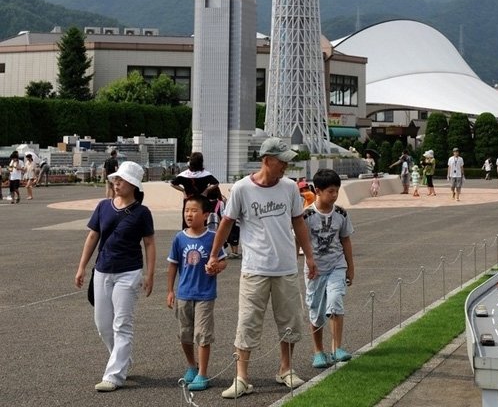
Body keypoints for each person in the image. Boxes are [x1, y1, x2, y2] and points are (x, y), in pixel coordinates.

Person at [206, 137, 317, 399]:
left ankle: (286, 369)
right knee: (247, 322)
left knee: (290, 320)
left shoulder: (289, 188)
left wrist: (309, 256)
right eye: (282, 161)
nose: (286, 167)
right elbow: (226, 223)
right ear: (267, 160)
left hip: (286, 266)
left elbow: (298, 222)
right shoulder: (243, 188)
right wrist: (214, 254)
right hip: (255, 267)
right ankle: (242, 377)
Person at [75, 160, 156, 392]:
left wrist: (150, 275)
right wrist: (82, 267)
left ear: (133, 184)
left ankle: (114, 375)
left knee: (122, 324)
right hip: (102, 270)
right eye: (115, 179)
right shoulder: (103, 206)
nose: (116, 182)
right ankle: (121, 360)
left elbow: (149, 244)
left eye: (121, 179)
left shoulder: (142, 213)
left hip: (129, 272)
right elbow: (93, 237)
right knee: (102, 324)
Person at [167, 195, 227, 392]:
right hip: (184, 294)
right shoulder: (179, 238)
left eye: (193, 211)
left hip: (205, 295)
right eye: (186, 211)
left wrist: (216, 266)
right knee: (185, 334)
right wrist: (170, 290)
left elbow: (223, 260)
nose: (189, 215)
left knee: (202, 335)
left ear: (205, 215)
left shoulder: (212, 237)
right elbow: (173, 264)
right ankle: (191, 366)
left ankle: (202, 373)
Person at [302, 169, 354, 369]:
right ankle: (318, 351)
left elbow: (345, 239)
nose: (334, 195)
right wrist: (308, 261)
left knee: (335, 301)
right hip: (315, 269)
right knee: (316, 310)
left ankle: (337, 347)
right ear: (318, 190)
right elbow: (299, 241)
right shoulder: (307, 216)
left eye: (336, 191)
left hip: (336, 265)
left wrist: (350, 267)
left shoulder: (341, 213)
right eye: (330, 191)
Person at [171, 152, 219, 229]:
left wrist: (183, 191)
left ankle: (187, 235)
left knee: (188, 218)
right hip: (202, 199)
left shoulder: (184, 174)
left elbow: (173, 184)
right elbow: (216, 183)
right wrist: (206, 191)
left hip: (189, 199)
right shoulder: (206, 174)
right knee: (202, 218)